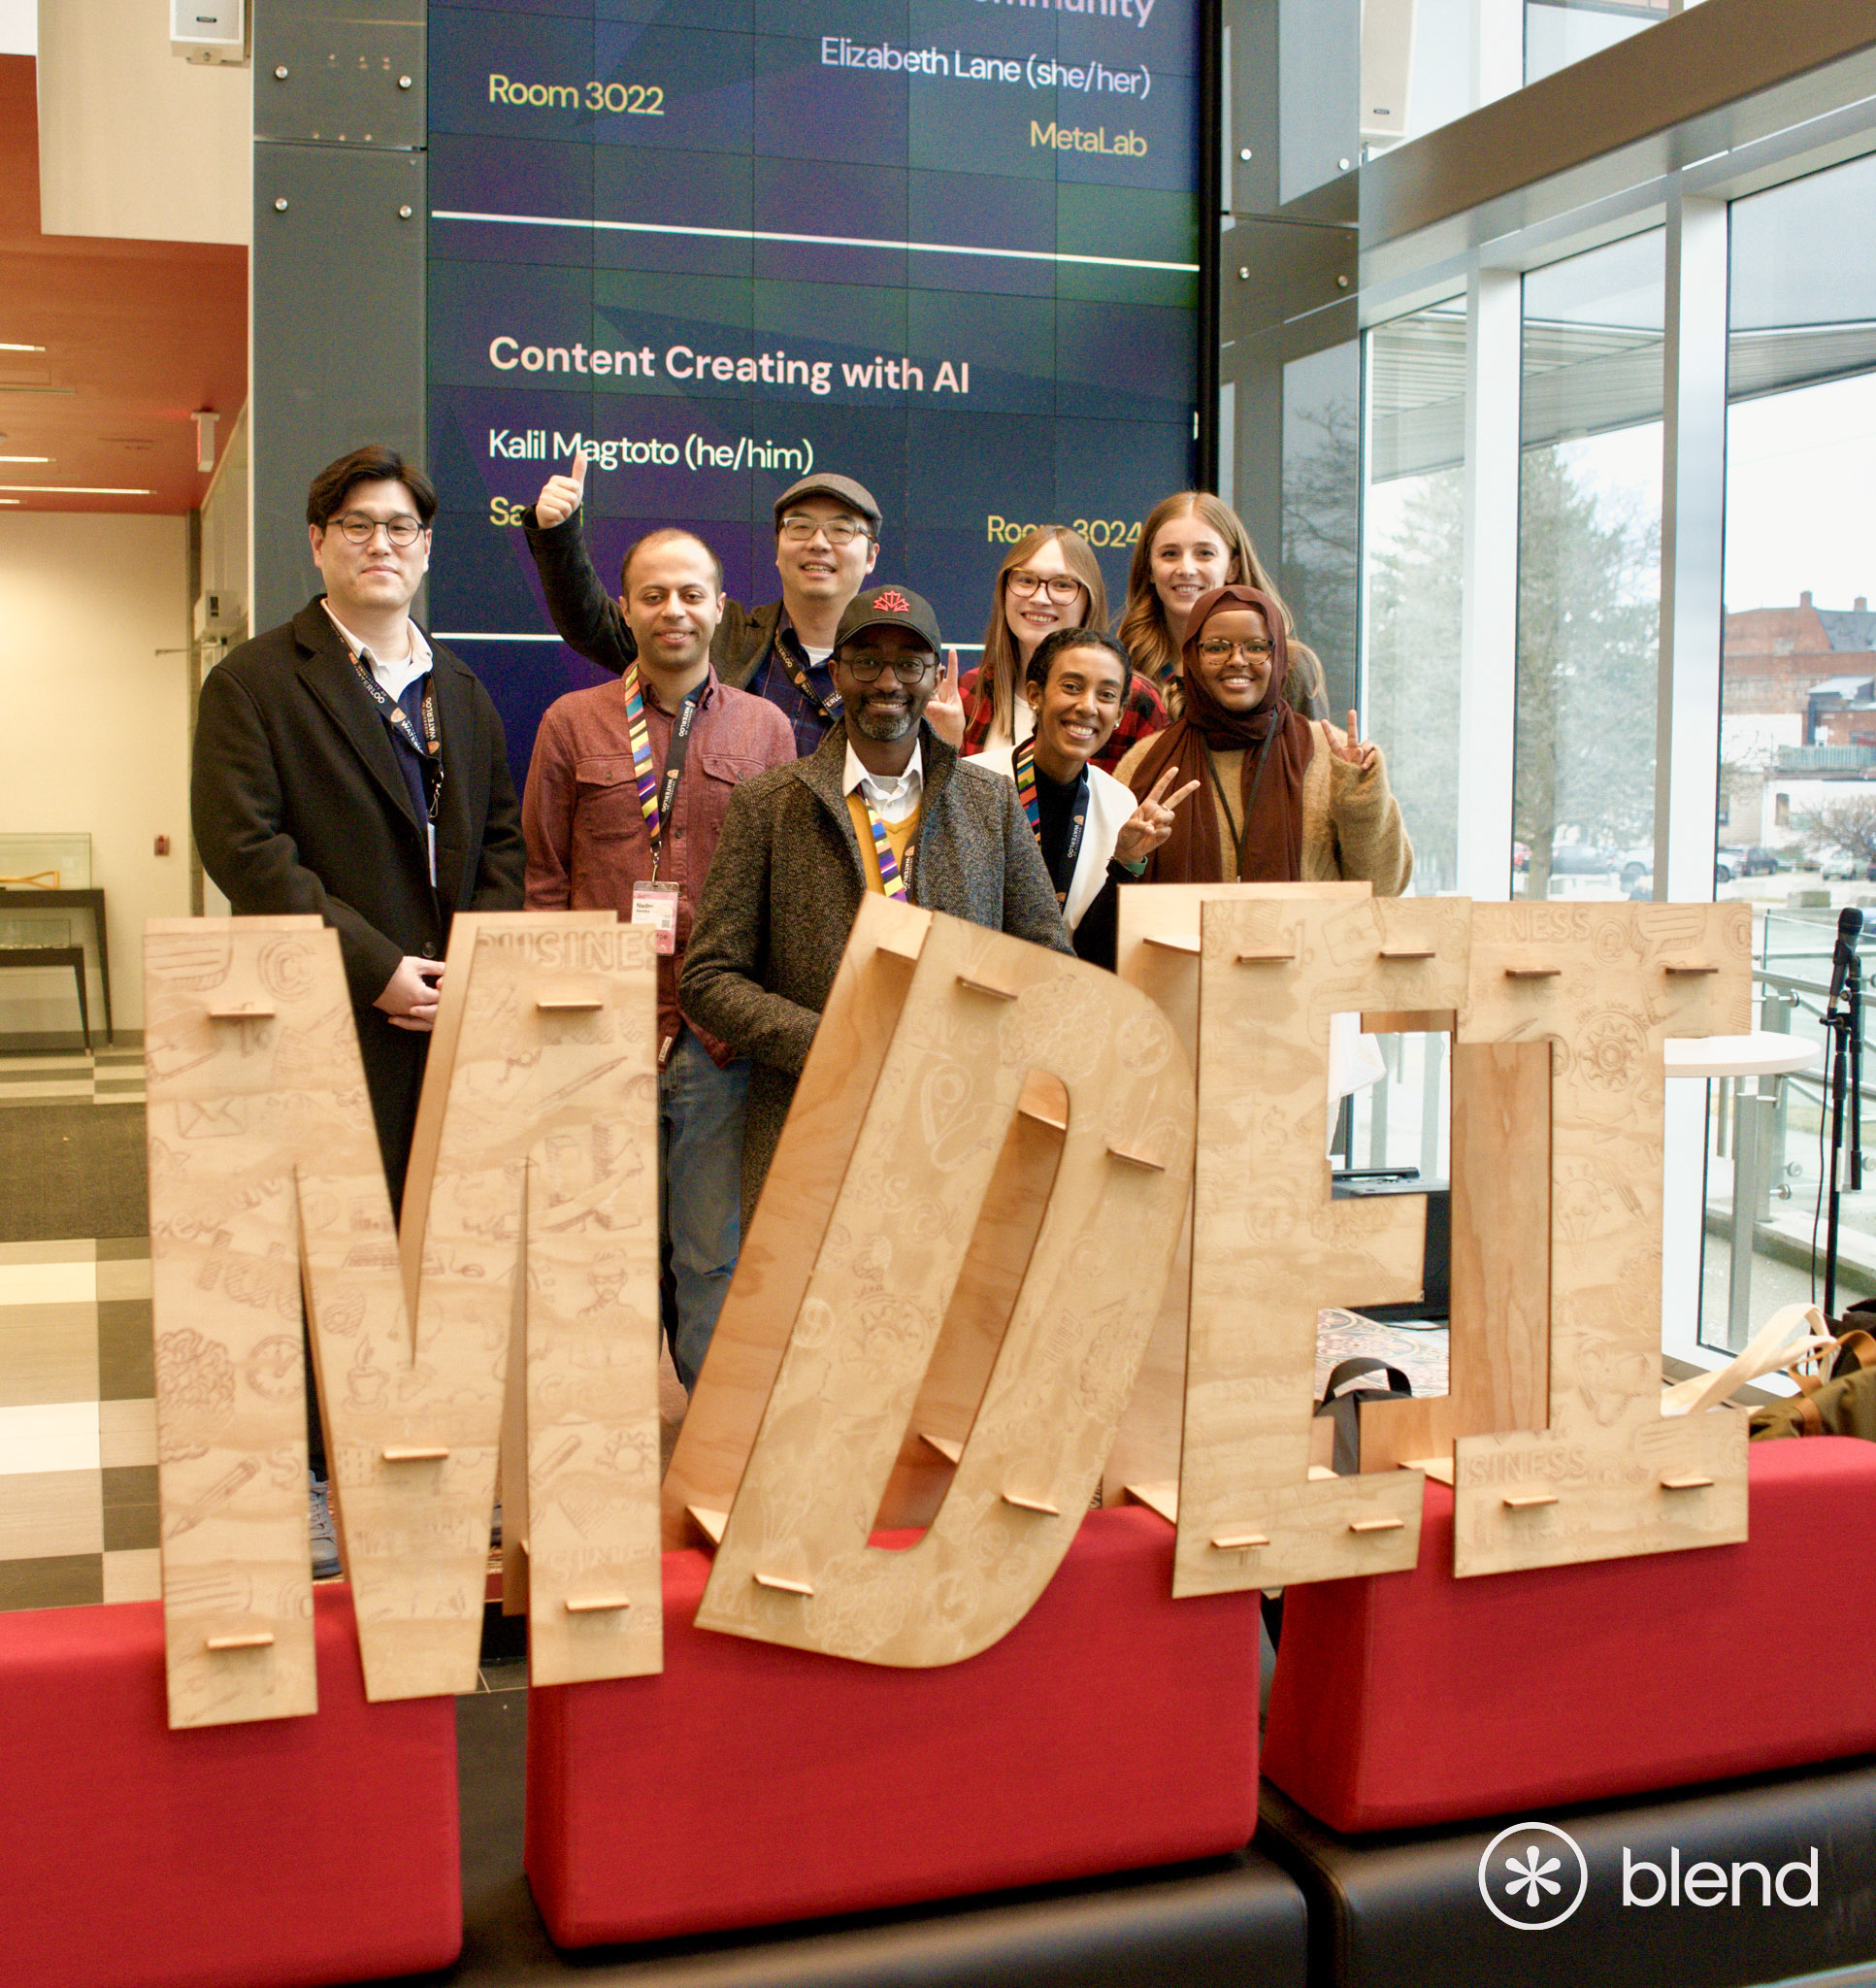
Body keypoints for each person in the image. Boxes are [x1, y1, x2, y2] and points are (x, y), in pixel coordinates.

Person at [192, 443, 526, 1574]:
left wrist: (472, 968)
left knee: (439, 1254)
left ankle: (427, 1464)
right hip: (324, 1013)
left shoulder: (464, 691)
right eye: (357, 526)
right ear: (318, 542)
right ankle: (320, 1483)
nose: (382, 544)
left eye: (401, 528)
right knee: (318, 1255)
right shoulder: (255, 680)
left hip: (450, 1020)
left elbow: (501, 846)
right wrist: (380, 966)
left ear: (428, 548)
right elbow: (246, 848)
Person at [681, 584, 1072, 1208]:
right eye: (866, 662)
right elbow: (706, 978)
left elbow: (1052, 970)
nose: (888, 680)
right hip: (810, 1128)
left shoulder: (989, 803)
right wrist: (832, 1042)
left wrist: (969, 1045)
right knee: (806, 1307)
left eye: (909, 663)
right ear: (836, 673)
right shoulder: (769, 805)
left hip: (955, 1132)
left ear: (937, 677)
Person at [521, 528, 793, 1389]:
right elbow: (542, 879)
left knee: (712, 1253)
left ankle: (709, 1450)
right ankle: (599, 1439)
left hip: (716, 1041)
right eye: (651, 595)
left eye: (690, 594)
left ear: (718, 607)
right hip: (601, 1035)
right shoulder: (570, 723)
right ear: (625, 609)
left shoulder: (767, 729)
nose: (672, 611)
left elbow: (782, 892)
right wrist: (557, 1021)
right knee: (599, 1250)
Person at [523, 457, 968, 756]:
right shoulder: (725, 634)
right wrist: (557, 532)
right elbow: (593, 625)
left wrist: (941, 746)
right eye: (800, 527)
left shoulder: (892, 668)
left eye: (840, 530)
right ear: (777, 548)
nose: (817, 542)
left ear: (871, 556)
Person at [1113, 583, 1411, 892]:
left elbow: (1384, 887)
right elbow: (1105, 888)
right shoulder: (1146, 760)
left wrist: (1359, 798)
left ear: (1278, 654)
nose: (1237, 660)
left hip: (1304, 940)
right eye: (1216, 647)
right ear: (1192, 657)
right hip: (1169, 941)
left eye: (1256, 647)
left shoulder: (1330, 754)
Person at [970, 628, 1197, 970]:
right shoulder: (972, 782)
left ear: (1119, 713)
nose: (1087, 706)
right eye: (1072, 687)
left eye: (1106, 695)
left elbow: (1093, 950)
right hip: (971, 986)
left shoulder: (1119, 804)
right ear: (1035, 695)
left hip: (1065, 999)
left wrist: (1126, 861)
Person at [951, 526, 1165, 774]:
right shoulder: (971, 689)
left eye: (1062, 585)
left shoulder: (1136, 700)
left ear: (1089, 600)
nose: (1040, 598)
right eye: (1026, 580)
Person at [1117, 490, 1329, 716]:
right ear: (1149, 568)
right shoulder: (1125, 666)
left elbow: (1316, 751)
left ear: (1233, 567)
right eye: (1170, 554)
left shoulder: (1287, 666)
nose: (1186, 569)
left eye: (1205, 553)